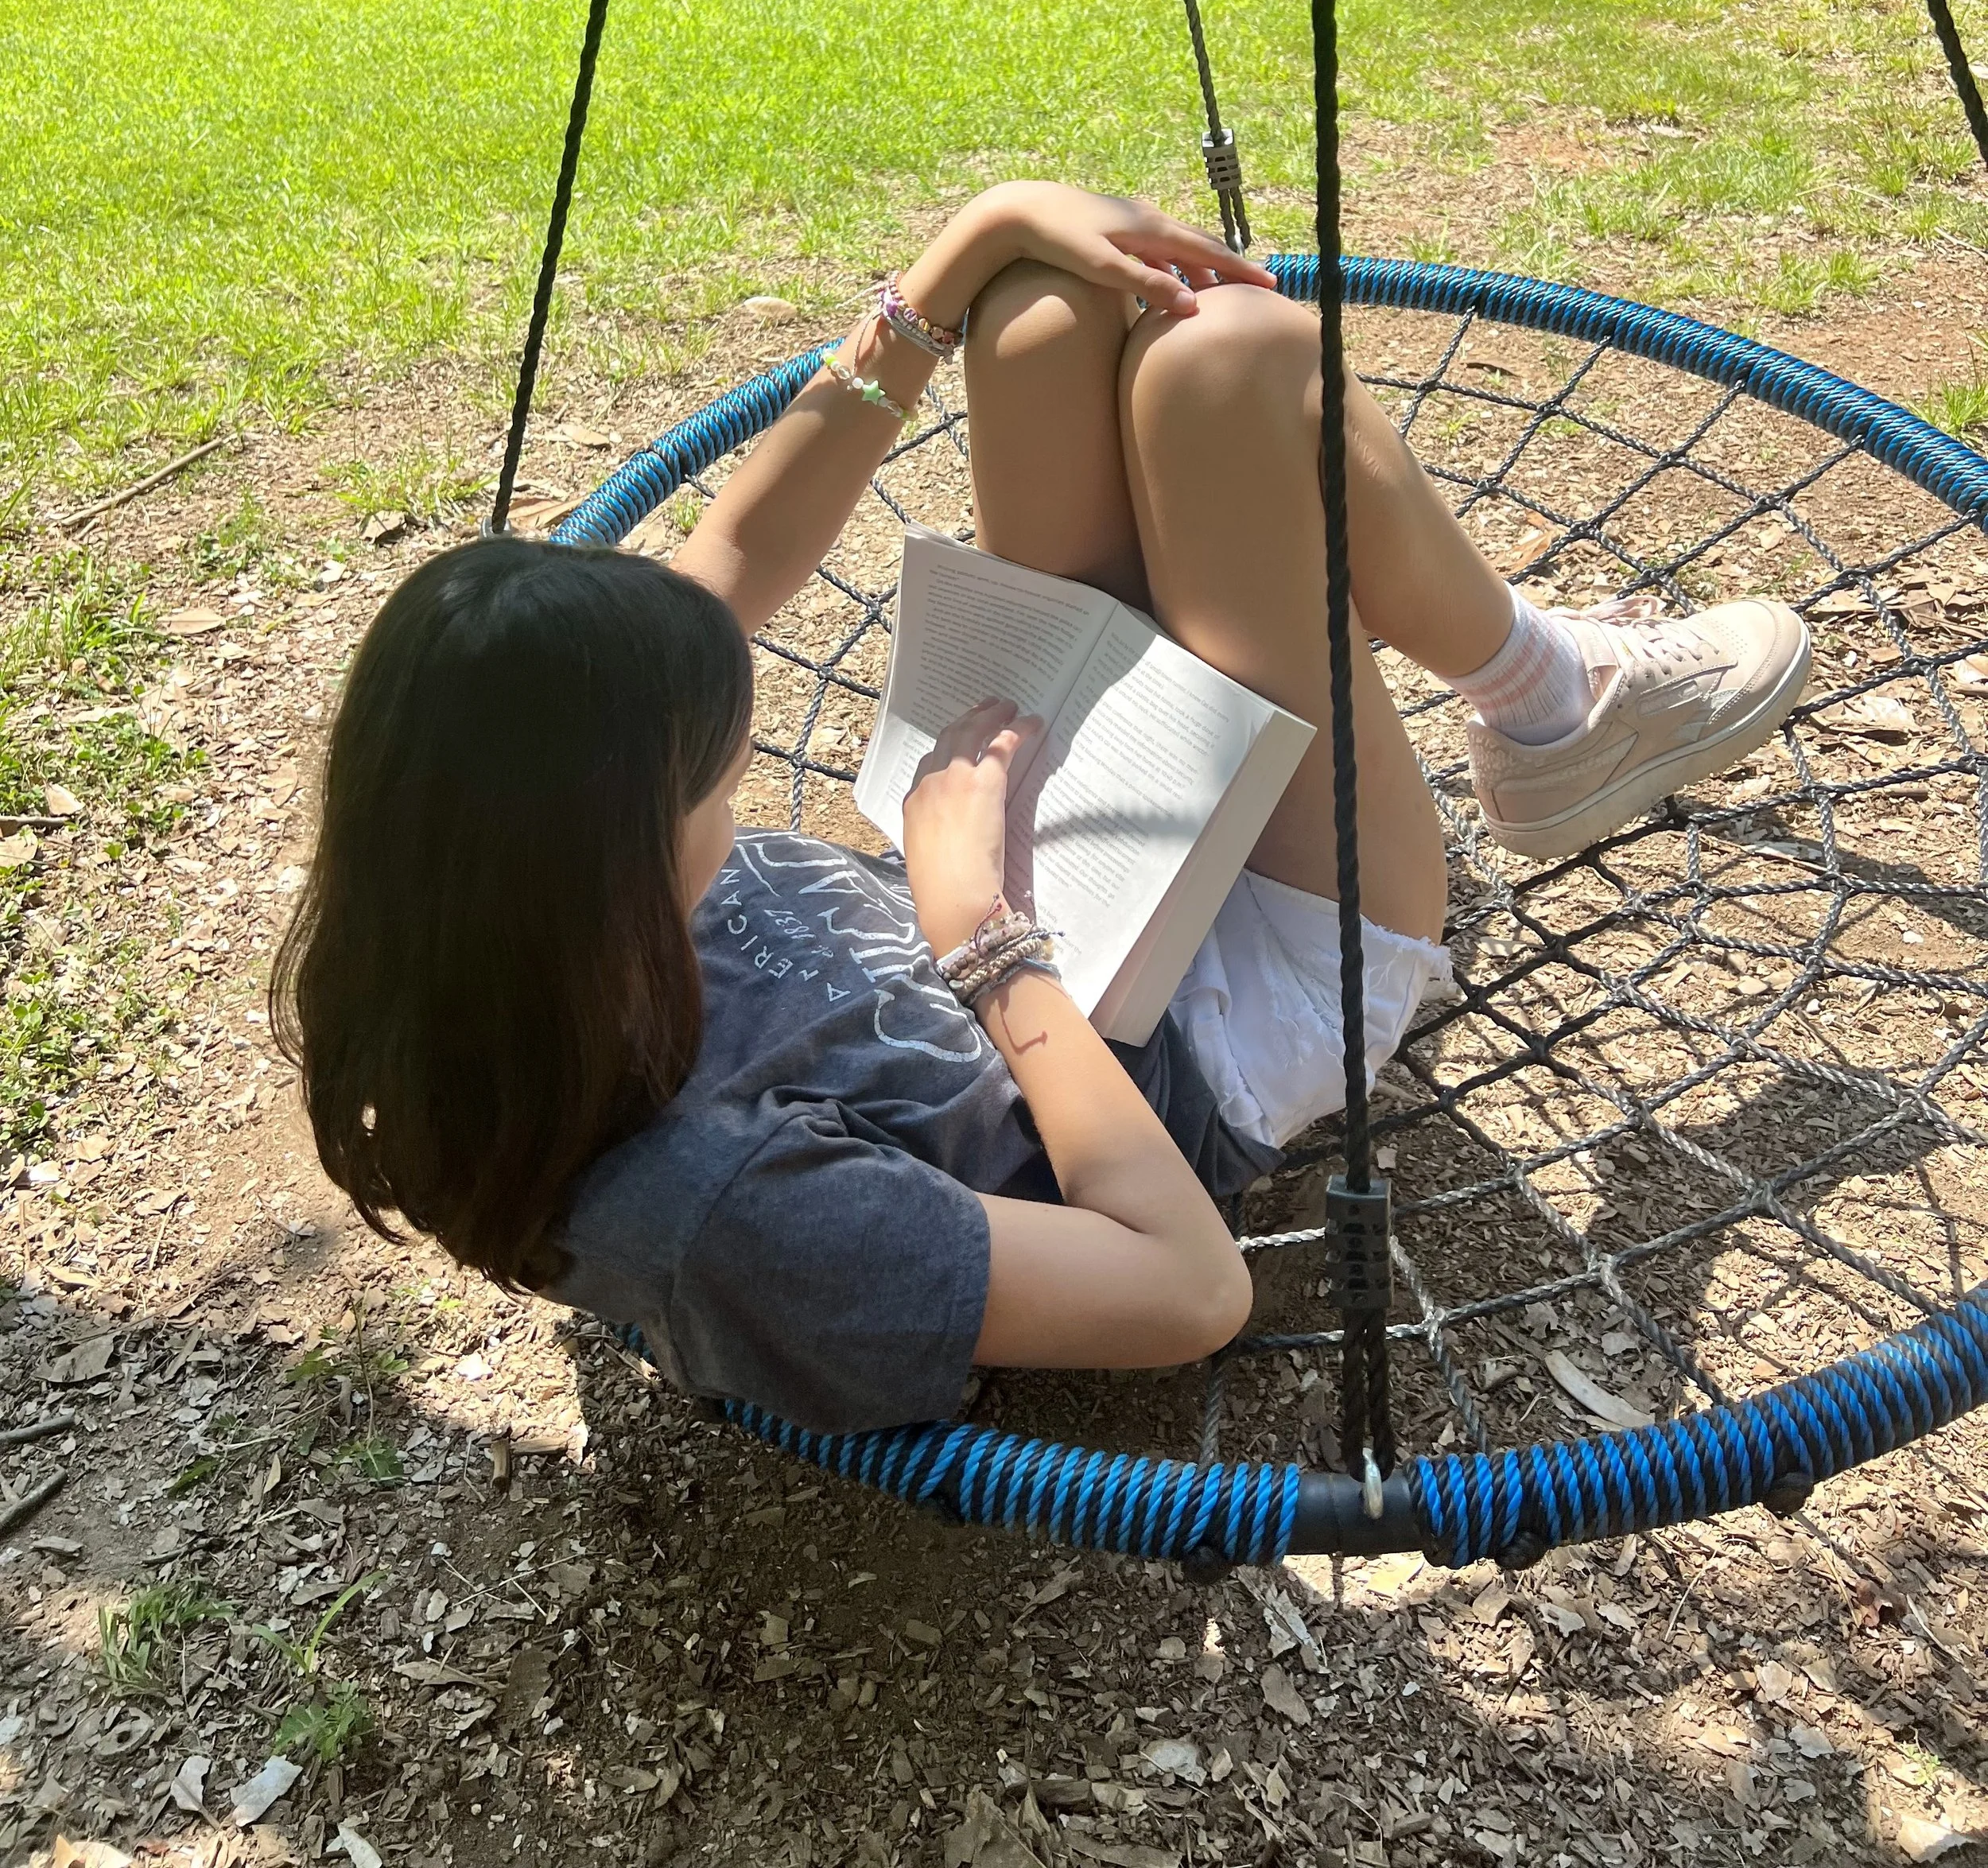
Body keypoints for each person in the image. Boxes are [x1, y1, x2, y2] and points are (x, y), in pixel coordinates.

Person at [274, 184, 1810, 1433]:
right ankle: (1551, 706)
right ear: (614, 849)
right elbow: (1185, 1293)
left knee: (1039, 319)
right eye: (719, 765)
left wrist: (964, 253)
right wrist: (986, 940)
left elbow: (736, 553)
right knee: (1240, 367)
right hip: (1222, 1016)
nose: (733, 730)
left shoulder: (498, 884)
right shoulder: (722, 1205)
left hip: (1059, 857)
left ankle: (1532, 681)